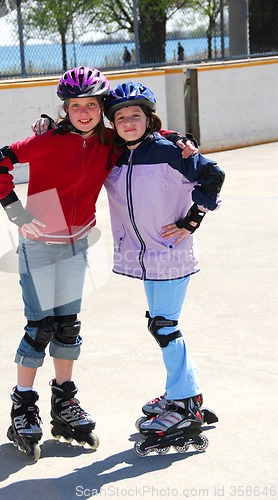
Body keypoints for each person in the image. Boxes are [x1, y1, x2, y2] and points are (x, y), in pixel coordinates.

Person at [0, 66, 197, 457]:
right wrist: (17, 214)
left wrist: (178, 138)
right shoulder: (46, 139)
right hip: (40, 245)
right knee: (40, 327)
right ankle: (24, 404)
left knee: (67, 327)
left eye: (91, 105)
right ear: (65, 108)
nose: (83, 112)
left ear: (101, 106)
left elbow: (143, 137)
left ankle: (64, 401)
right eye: (75, 106)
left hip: (78, 242)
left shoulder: (108, 143)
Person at [102, 82, 225, 453]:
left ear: (148, 118)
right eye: (120, 117)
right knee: (160, 324)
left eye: (135, 115)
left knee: (164, 325)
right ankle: (183, 392)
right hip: (144, 256)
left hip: (172, 252)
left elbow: (213, 176)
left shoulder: (170, 151)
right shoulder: (115, 156)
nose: (127, 122)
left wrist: (192, 219)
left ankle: (186, 403)